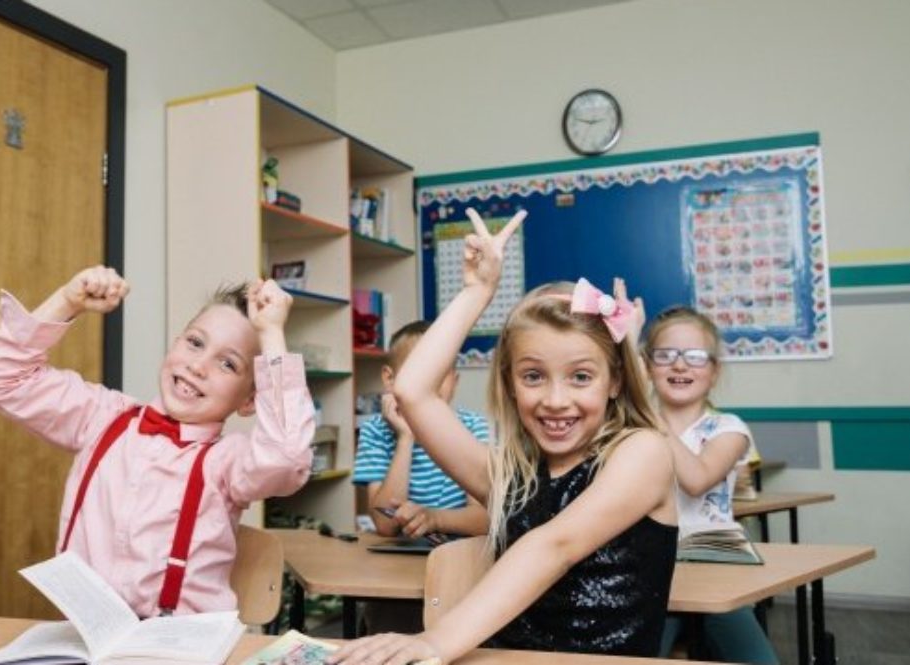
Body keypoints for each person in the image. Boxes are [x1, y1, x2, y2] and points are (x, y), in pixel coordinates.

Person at [329, 209, 678, 664]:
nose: (555, 400)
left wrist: (435, 641)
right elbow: (413, 392)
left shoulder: (643, 452)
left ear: (614, 383)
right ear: (509, 385)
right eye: (533, 376)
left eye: (580, 377)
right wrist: (478, 291)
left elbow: (554, 545)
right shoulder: (508, 475)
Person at [0, 265, 314, 618]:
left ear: (248, 401)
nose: (198, 367)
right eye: (195, 343)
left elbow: (287, 458)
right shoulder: (102, 417)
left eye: (227, 364)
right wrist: (66, 301)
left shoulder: (228, 461)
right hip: (86, 633)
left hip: (180, 645)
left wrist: (271, 333)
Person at [641, 305, 778, 664]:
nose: (680, 365)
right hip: (651, 569)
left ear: (714, 372)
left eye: (696, 357)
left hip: (715, 564)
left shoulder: (728, 428)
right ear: (647, 366)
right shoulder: (629, 430)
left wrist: (644, 410)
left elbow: (696, 480)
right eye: (665, 355)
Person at [354, 320, 490, 541]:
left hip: (459, 556)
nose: (431, 382)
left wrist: (435, 518)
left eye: (441, 372)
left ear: (455, 381)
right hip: (399, 559)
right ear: (390, 379)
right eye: (420, 370)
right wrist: (406, 438)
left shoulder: (474, 426)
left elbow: (485, 518)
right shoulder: (375, 431)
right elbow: (385, 525)